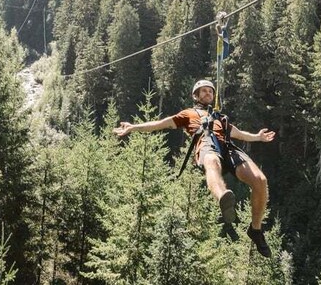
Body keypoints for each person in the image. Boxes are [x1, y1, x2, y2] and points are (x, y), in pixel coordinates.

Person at [113, 79, 275, 257]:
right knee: (212, 160)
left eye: (210, 91)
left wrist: (258, 137)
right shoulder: (188, 114)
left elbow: (240, 135)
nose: (208, 94)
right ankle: (223, 196)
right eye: (204, 91)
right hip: (206, 145)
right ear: (195, 96)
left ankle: (255, 230)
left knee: (260, 180)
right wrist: (133, 127)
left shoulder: (220, 117)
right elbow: (160, 124)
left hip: (228, 148)